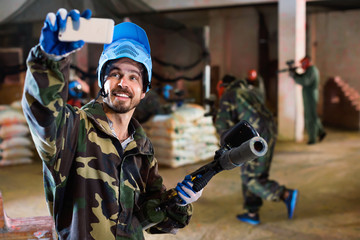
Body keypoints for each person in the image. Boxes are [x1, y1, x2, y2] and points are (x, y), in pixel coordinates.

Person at [22, 8, 202, 239]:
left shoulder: (142, 147)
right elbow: (43, 114)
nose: (122, 83)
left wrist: (180, 201)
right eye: (115, 73)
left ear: (144, 91)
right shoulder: (74, 128)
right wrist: (48, 60)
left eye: (133, 77)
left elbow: (149, 218)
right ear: (102, 81)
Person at [215, 77, 298, 225]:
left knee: (251, 179)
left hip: (255, 137)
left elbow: (223, 126)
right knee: (251, 172)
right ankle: (252, 212)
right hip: (268, 130)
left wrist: (224, 150)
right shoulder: (249, 91)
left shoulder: (229, 94)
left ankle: (284, 194)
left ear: (223, 86)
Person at [290, 56, 327, 145]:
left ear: (307, 62)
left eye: (303, 63)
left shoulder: (312, 70)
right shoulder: (311, 70)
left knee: (311, 117)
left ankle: (312, 139)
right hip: (309, 95)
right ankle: (321, 132)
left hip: (310, 96)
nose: (302, 65)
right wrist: (295, 73)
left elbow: (305, 81)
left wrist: (294, 76)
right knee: (313, 116)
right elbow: (303, 77)